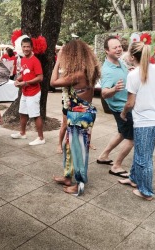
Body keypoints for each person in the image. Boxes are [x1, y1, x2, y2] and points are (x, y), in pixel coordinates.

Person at [51, 40, 100, 195]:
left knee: (78, 152)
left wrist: (57, 62)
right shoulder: (86, 70)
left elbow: (53, 82)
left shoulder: (78, 74)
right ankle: (67, 177)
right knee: (69, 148)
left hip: (80, 115)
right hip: (79, 113)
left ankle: (79, 185)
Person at [119, 42, 155, 201]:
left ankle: (146, 192)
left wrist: (123, 113)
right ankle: (134, 179)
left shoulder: (132, 75)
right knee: (142, 152)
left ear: (132, 57)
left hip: (145, 121)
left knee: (143, 158)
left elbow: (130, 103)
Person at [97, 36, 133, 178]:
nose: (119, 49)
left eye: (119, 46)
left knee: (121, 133)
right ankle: (116, 166)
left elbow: (123, 72)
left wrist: (129, 70)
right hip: (121, 109)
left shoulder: (120, 63)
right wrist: (114, 89)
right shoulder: (107, 71)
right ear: (107, 50)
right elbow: (104, 93)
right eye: (114, 47)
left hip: (125, 106)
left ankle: (103, 156)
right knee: (132, 138)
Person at [11, 37, 45, 146]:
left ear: (31, 47)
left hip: (34, 92)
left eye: (28, 47)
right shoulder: (24, 59)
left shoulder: (35, 61)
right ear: (21, 47)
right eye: (24, 46)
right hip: (25, 91)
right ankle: (22, 133)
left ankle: (41, 138)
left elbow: (40, 78)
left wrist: (26, 83)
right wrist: (18, 80)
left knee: (35, 115)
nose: (26, 49)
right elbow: (24, 73)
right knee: (22, 113)